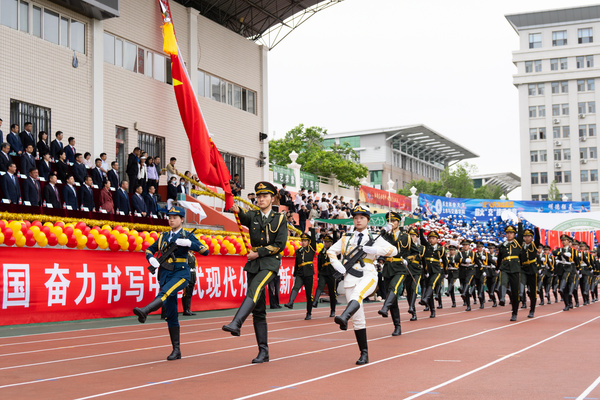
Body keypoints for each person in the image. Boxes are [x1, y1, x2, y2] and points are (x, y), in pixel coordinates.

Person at [222, 181, 288, 364]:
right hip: (253, 264)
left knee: (256, 288)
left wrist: (258, 252)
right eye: (258, 196)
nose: (261, 199)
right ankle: (263, 351)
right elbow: (241, 214)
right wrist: (234, 207)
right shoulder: (253, 216)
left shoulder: (280, 219)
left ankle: (236, 322)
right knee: (258, 309)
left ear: (272, 198)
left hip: (269, 263)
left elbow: (279, 245)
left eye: (265, 196)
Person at [133, 206, 208, 360]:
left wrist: (188, 244)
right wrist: (151, 259)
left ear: (182, 219)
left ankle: (146, 310)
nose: (171, 220)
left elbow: (205, 250)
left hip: (181, 273)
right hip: (165, 274)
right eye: (170, 217)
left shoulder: (187, 235)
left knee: (165, 293)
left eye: (175, 217)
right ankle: (176, 350)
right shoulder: (163, 237)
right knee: (171, 314)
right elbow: (149, 250)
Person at [327, 204, 397, 365]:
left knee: (358, 294)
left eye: (362, 218)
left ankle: (344, 315)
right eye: (356, 218)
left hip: (368, 274)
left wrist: (375, 250)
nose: (358, 220)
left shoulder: (375, 237)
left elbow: (393, 251)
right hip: (350, 276)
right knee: (358, 319)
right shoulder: (346, 238)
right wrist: (336, 264)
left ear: (367, 220)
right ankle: (363, 353)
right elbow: (331, 251)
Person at [377, 212, 410, 335]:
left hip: (400, 267)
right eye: (389, 221)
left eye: (394, 221)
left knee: (393, 288)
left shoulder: (405, 236)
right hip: (388, 268)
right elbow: (376, 243)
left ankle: (385, 307)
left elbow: (414, 252)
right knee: (393, 298)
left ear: (398, 222)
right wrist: (383, 231)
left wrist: (408, 259)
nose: (392, 223)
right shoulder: (385, 235)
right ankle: (397, 326)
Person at [285, 228, 317, 320]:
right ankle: (290, 302)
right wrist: (294, 275)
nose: (303, 242)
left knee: (308, 294)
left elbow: (314, 241)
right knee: (295, 287)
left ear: (308, 242)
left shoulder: (311, 249)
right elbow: (296, 263)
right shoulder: (298, 251)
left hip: (309, 274)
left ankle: (309, 313)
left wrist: (312, 231)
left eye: (305, 241)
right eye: (302, 240)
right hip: (300, 273)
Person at [497, 224, 524, 321]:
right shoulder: (502, 246)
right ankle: (502, 298)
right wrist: (497, 268)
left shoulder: (517, 243)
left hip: (515, 269)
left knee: (514, 291)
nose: (509, 235)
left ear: (514, 234)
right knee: (503, 281)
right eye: (507, 233)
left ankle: (514, 312)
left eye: (511, 233)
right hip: (505, 268)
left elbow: (521, 234)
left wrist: (520, 223)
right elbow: (500, 258)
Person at [418, 228, 447, 318]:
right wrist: (421, 233)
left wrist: (446, 272)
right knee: (427, 289)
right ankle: (432, 310)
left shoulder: (441, 248)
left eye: (433, 238)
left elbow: (445, 261)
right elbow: (422, 240)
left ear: (437, 239)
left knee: (431, 284)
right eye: (430, 238)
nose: (431, 239)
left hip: (436, 269)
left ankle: (425, 298)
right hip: (427, 270)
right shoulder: (426, 246)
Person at [312, 233, 338, 318]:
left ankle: (333, 310)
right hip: (323, 272)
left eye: (327, 242)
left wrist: (334, 230)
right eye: (325, 242)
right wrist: (319, 272)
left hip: (331, 272)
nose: (325, 243)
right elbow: (319, 262)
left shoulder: (334, 250)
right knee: (320, 286)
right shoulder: (322, 251)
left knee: (332, 292)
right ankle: (315, 301)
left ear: (331, 243)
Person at [521, 226, 541, 318]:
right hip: (523, 269)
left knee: (532, 291)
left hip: (532, 270)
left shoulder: (534, 245)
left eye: (529, 236)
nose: (527, 238)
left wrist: (536, 228)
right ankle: (523, 302)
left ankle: (532, 310)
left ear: (532, 237)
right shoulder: (521, 245)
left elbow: (538, 238)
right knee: (520, 287)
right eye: (525, 236)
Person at [553, 234, 577, 311]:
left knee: (568, 285)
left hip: (569, 268)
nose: (563, 242)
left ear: (568, 241)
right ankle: (567, 304)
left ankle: (570, 301)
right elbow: (554, 252)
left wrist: (578, 270)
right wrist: (562, 254)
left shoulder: (572, 250)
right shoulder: (560, 250)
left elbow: (576, 260)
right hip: (561, 269)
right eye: (562, 240)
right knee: (564, 289)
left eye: (565, 240)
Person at [457, 239, 478, 312]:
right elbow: (456, 259)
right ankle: (468, 305)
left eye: (467, 245)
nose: (465, 246)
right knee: (464, 287)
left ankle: (463, 292)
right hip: (462, 270)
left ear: (469, 246)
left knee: (467, 282)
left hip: (470, 270)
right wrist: (464, 260)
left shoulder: (473, 253)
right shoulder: (460, 253)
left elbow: (477, 262)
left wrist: (482, 271)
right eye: (464, 245)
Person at [181, 251, 198, 316]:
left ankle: (188, 309)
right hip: (187, 274)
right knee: (186, 292)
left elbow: (195, 267)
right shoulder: (185, 256)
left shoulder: (193, 256)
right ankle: (185, 310)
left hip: (192, 274)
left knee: (190, 292)